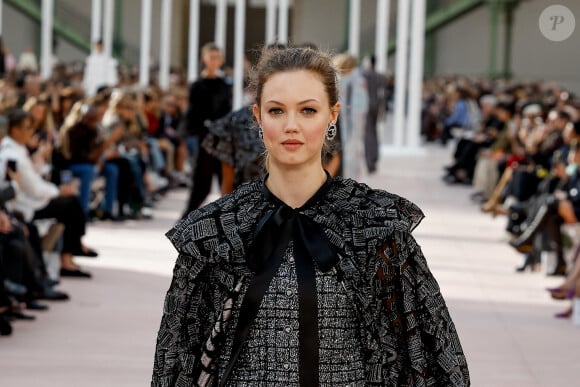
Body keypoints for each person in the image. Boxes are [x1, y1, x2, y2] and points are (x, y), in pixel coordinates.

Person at [152, 47, 470, 386]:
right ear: (258, 117)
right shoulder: (216, 233)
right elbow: (177, 362)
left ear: (332, 115)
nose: (292, 126)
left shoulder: (375, 226)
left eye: (308, 110)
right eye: (277, 111)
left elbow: (431, 356)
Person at [181, 42, 232, 216]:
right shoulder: (197, 85)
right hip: (204, 140)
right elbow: (192, 114)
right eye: (211, 57)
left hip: (222, 141)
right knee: (201, 184)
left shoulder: (224, 85)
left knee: (227, 183)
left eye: (218, 57)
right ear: (204, 59)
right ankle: (185, 221)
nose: (215, 61)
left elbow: (227, 111)